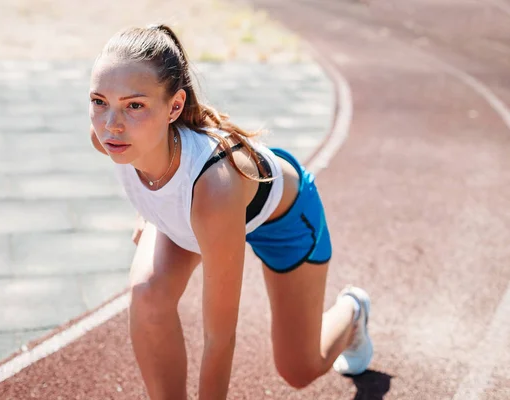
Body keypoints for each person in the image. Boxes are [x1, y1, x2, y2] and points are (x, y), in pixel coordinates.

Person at [88, 24, 373, 400]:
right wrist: (148, 212)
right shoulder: (109, 138)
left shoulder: (214, 189)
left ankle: (353, 313)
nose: (112, 124)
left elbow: (219, 337)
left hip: (281, 218)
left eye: (134, 105)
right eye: (99, 101)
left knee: (299, 369)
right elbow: (149, 170)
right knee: (148, 294)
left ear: (174, 107)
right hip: (196, 214)